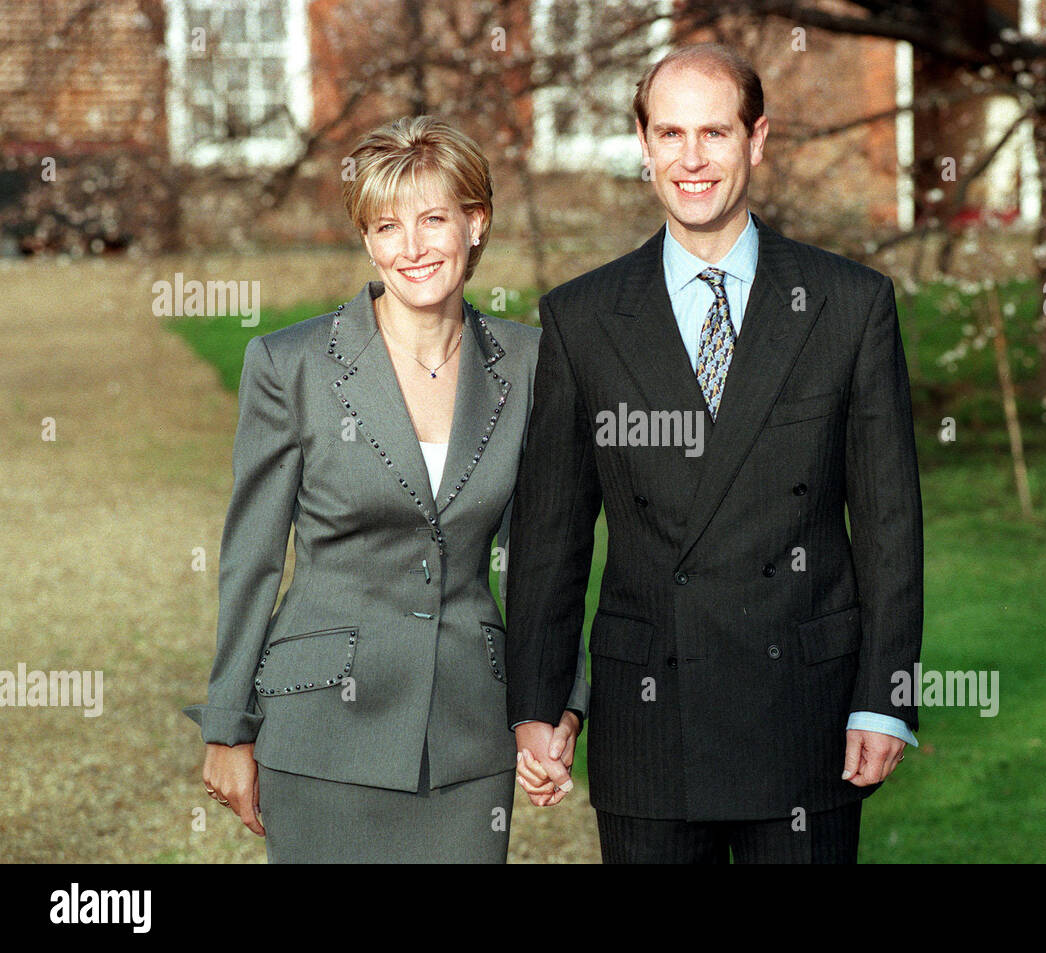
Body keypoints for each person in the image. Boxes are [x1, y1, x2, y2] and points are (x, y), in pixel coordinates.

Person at [507, 44, 923, 863]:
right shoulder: (581, 318)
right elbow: (551, 533)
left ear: (756, 140)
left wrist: (885, 699)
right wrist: (540, 698)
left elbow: (889, 523)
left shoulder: (848, 303)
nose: (691, 159)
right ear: (643, 145)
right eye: (670, 133)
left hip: (805, 711)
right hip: (650, 718)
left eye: (714, 133)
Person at [183, 116, 586, 863]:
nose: (411, 247)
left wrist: (559, 700)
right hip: (318, 731)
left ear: (476, 222)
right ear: (367, 239)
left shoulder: (531, 363)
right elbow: (252, 558)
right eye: (386, 225)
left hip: (470, 732)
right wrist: (226, 725)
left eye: (434, 219)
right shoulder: (291, 363)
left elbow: (551, 556)